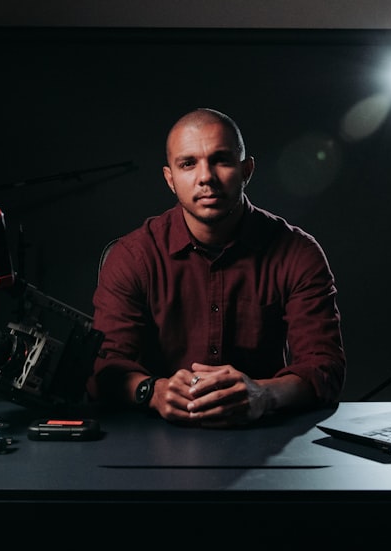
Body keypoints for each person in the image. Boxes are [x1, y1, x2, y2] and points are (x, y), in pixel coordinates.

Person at [87, 108, 346, 426]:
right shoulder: (132, 256)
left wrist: (263, 395)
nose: (205, 177)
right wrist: (152, 392)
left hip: (263, 435)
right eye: (188, 163)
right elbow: (103, 367)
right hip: (152, 438)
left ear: (246, 170)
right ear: (171, 179)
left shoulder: (298, 252)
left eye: (221, 160)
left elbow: (324, 367)